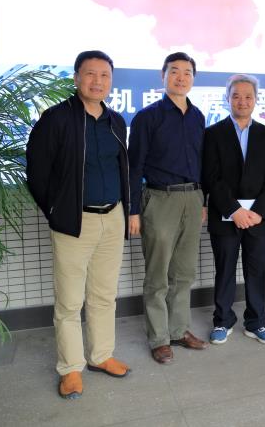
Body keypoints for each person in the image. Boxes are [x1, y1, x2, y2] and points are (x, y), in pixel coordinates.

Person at [26, 50, 131, 399]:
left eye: (105, 75)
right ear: (76, 78)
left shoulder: (116, 121)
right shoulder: (56, 119)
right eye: (90, 74)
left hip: (112, 218)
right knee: (70, 301)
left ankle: (101, 355)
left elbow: (121, 168)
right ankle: (70, 368)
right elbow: (37, 172)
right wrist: (56, 210)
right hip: (74, 221)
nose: (97, 81)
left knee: (104, 294)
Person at [128, 52, 208, 365]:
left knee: (184, 273)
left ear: (193, 78)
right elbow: (134, 166)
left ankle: (178, 329)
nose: (181, 77)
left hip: (193, 199)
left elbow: (202, 162)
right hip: (159, 199)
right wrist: (133, 210)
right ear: (163, 76)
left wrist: (203, 201)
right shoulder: (148, 117)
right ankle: (159, 338)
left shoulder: (198, 116)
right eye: (174, 71)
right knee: (158, 274)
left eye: (187, 72)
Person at [202, 74, 265, 345]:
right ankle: (222, 320)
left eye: (248, 96)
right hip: (225, 215)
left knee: (257, 270)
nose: (242, 101)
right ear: (227, 99)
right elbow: (211, 176)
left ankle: (256, 321)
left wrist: (258, 211)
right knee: (225, 269)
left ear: (256, 100)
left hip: (258, 217)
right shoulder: (212, 134)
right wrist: (234, 210)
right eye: (236, 96)